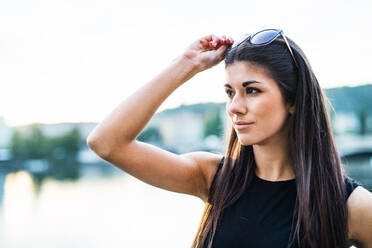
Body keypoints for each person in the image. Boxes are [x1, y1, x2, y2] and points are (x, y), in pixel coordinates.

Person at [86, 29, 372, 248]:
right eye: (229, 92)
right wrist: (187, 64)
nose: (235, 106)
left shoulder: (349, 205)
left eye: (252, 90)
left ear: (293, 100)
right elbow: (107, 142)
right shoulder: (215, 179)